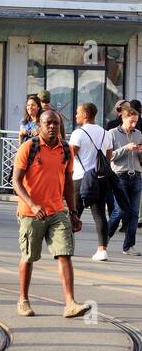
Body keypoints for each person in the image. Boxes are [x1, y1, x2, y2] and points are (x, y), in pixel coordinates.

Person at [12, 110, 91, 318]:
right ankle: (23, 300)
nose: (53, 127)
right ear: (39, 125)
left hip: (57, 211)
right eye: (48, 123)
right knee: (28, 256)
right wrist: (32, 204)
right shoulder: (29, 148)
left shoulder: (66, 150)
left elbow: (68, 184)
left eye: (56, 123)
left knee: (65, 253)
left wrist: (73, 212)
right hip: (31, 213)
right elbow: (16, 182)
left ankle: (70, 303)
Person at [68, 102, 114, 261]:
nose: (76, 116)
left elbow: (70, 155)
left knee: (74, 212)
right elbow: (109, 156)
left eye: (77, 113)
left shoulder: (78, 133)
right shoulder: (105, 133)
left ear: (85, 115)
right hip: (99, 179)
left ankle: (67, 246)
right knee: (100, 214)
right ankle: (102, 250)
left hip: (80, 178)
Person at [106, 103, 142, 257]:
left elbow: (140, 159)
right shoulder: (112, 133)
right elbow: (110, 156)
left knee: (134, 213)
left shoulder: (139, 134)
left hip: (136, 175)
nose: (133, 125)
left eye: (136, 121)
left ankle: (129, 246)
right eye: (131, 121)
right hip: (119, 176)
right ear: (123, 118)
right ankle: (105, 238)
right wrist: (125, 148)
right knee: (119, 210)